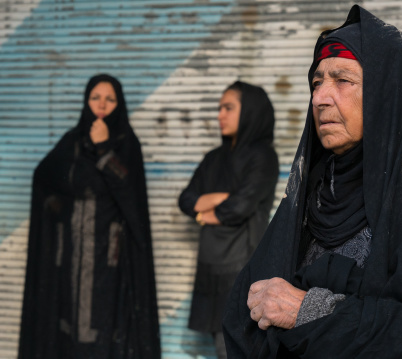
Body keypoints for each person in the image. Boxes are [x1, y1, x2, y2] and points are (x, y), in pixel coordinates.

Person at [223, 5, 402, 358]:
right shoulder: (316, 193)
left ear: (388, 93)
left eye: (342, 80)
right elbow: (248, 307)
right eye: (316, 82)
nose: (320, 98)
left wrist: (308, 311)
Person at [18, 74, 161, 359]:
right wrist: (59, 210)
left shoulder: (126, 144)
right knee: (66, 332)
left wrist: (104, 149)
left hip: (109, 263)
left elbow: (130, 195)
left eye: (110, 99)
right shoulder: (71, 142)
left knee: (104, 332)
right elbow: (42, 180)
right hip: (69, 261)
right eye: (95, 97)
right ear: (86, 101)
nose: (102, 105)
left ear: (119, 104)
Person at [179, 81, 279, 358]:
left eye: (228, 108)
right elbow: (185, 200)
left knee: (242, 345)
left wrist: (210, 206)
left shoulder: (263, 157)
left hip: (242, 265)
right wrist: (207, 210)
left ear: (249, 111)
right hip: (210, 263)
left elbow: (240, 206)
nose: (220, 115)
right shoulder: (213, 159)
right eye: (220, 108)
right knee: (221, 345)